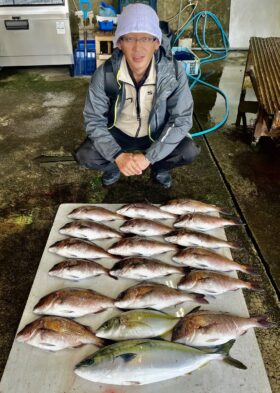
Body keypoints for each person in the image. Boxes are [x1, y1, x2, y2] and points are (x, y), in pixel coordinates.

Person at [75, 3, 200, 188]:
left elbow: (181, 119)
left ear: (156, 43)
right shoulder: (104, 74)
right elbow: (93, 120)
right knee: (84, 155)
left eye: (146, 39)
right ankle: (114, 168)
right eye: (130, 39)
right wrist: (117, 156)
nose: (138, 47)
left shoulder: (174, 71)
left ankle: (159, 167)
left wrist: (150, 156)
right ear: (119, 43)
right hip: (118, 134)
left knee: (189, 150)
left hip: (156, 134)